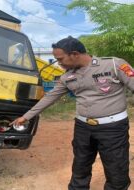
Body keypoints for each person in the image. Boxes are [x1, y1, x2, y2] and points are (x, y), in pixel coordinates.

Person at [11, 36, 134, 190]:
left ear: (75, 54)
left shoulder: (113, 65)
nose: (58, 63)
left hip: (113, 129)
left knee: (116, 170)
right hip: (83, 128)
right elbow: (50, 97)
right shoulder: (67, 77)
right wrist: (26, 116)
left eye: (60, 59)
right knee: (80, 166)